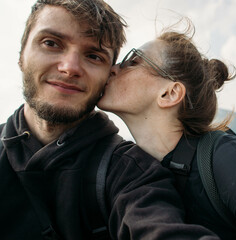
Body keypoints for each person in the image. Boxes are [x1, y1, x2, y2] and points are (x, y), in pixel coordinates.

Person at [0, 1, 221, 239]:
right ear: (21, 54)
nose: (69, 68)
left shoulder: (130, 172)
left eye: (93, 56)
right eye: (51, 43)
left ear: (107, 75)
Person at [97, 19, 236, 240]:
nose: (114, 68)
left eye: (133, 60)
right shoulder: (129, 171)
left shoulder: (228, 157)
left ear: (169, 94)